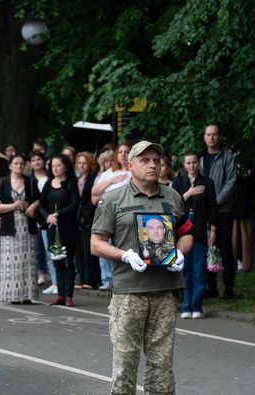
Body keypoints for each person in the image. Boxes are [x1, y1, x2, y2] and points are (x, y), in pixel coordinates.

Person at [91, 140, 193, 394]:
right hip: (129, 292)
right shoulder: (113, 198)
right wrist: (124, 255)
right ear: (129, 165)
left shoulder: (172, 197)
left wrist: (180, 252)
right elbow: (96, 243)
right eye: (145, 160)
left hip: (165, 291)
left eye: (156, 160)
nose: (152, 165)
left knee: (162, 366)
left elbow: (188, 233)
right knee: (125, 366)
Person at [173, 151, 217, 319]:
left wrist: (213, 229)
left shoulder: (207, 183)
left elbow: (213, 207)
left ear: (199, 163)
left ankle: (196, 305)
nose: (192, 166)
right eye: (188, 163)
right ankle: (186, 306)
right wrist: (189, 193)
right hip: (182, 234)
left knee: (199, 271)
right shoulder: (178, 182)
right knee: (185, 271)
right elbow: (173, 205)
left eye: (194, 162)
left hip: (199, 232)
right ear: (184, 165)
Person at [0, 154, 40, 304]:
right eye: (16, 163)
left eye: (21, 163)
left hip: (27, 227)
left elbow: (39, 199)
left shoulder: (31, 182)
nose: (19, 166)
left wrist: (33, 205)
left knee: (28, 261)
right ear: (10, 166)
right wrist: (13, 206)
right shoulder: (3, 184)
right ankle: (13, 295)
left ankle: (27, 295)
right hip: (10, 226)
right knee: (11, 262)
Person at [200, 124, 238, 299]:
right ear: (204, 137)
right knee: (208, 247)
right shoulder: (200, 159)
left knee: (225, 249)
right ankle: (211, 286)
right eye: (209, 134)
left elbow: (231, 181)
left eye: (215, 134)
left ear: (219, 136)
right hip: (205, 210)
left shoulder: (227, 157)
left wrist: (216, 201)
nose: (212, 137)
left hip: (223, 210)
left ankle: (229, 287)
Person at [39, 154, 79, 307]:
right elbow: (41, 205)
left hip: (68, 227)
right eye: (53, 166)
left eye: (58, 165)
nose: (55, 168)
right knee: (57, 260)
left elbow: (75, 203)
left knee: (68, 261)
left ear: (65, 167)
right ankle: (59, 293)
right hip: (52, 227)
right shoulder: (48, 184)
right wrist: (47, 216)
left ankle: (68, 295)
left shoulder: (70, 183)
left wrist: (59, 214)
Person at [92, 142, 132, 290]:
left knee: (123, 247)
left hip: (126, 214)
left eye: (126, 152)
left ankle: (123, 279)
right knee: (104, 245)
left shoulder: (134, 172)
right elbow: (94, 193)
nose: (123, 154)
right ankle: (107, 278)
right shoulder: (109, 173)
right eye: (120, 152)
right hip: (107, 213)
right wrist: (112, 181)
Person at [74, 151, 100, 289]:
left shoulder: (94, 179)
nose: (82, 166)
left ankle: (90, 280)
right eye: (80, 163)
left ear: (90, 165)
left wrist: (86, 210)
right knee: (78, 250)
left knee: (88, 249)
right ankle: (81, 279)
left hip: (89, 217)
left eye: (85, 163)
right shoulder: (75, 179)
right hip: (76, 219)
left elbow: (94, 198)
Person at [232, 163, 255, 272]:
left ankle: (247, 264)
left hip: (249, 208)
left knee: (247, 238)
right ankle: (233, 263)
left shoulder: (253, 169)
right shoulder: (230, 165)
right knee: (234, 239)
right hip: (233, 208)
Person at [29, 150, 52, 287]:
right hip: (33, 216)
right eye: (33, 160)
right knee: (36, 249)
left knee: (48, 248)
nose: (36, 162)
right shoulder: (29, 179)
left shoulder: (49, 178)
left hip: (46, 216)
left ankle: (52, 279)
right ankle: (39, 273)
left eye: (38, 159)